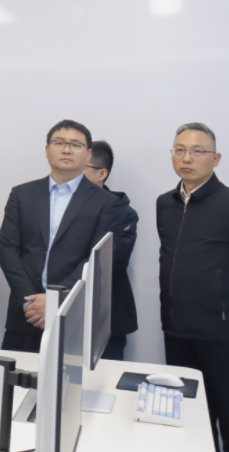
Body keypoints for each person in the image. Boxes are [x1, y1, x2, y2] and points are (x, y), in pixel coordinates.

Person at [0, 120, 120, 352]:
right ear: (47, 150)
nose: (66, 150)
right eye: (59, 143)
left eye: (75, 144)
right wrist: (30, 303)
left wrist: (55, 301)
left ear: (88, 154)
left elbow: (96, 260)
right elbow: (8, 249)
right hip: (25, 314)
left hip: (74, 315)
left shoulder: (107, 203)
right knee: (17, 375)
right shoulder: (22, 194)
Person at [158, 122, 229, 450]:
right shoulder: (165, 203)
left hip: (220, 334)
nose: (187, 158)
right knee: (189, 417)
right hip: (176, 330)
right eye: (180, 150)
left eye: (197, 151)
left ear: (215, 159)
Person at [82, 140, 138, 360]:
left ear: (102, 173)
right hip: (62, 313)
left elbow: (114, 262)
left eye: (82, 168)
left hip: (105, 314)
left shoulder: (123, 212)